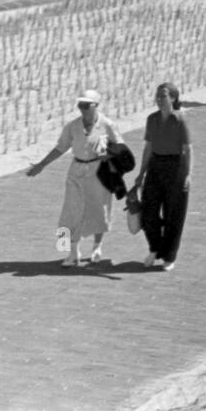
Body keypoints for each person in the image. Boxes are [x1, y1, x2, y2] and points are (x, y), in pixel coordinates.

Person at [27, 89, 124, 267]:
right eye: (80, 105)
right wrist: (42, 165)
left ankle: (97, 246)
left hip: (99, 172)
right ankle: (70, 252)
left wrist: (108, 154)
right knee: (71, 211)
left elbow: (121, 148)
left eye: (86, 105)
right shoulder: (72, 126)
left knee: (99, 210)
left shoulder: (107, 124)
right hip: (77, 171)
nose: (82, 109)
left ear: (96, 106)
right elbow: (61, 147)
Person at [129, 83, 192, 271]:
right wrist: (141, 174)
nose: (159, 99)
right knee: (149, 211)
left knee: (174, 213)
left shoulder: (180, 119)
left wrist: (188, 174)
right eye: (157, 96)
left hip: (176, 167)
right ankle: (155, 248)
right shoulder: (152, 119)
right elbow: (148, 148)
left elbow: (188, 149)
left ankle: (169, 255)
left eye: (163, 96)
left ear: (173, 98)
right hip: (155, 166)